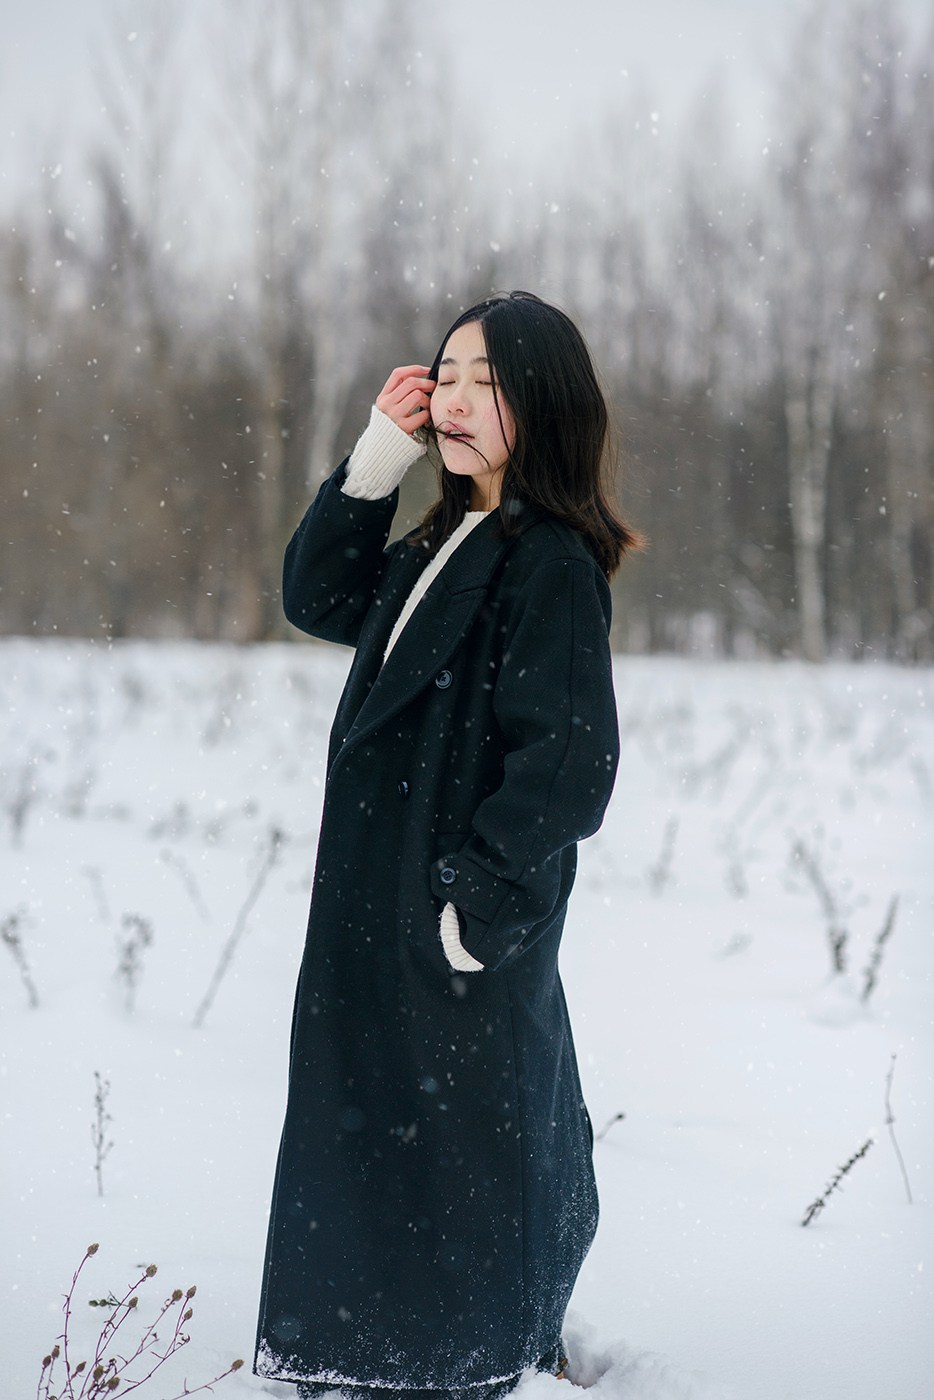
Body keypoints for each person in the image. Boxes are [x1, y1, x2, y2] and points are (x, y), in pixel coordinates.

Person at [254, 291, 640, 1400]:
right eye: (449, 375)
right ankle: (376, 1351)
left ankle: (466, 1354)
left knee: (468, 1147)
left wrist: (473, 907)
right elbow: (316, 592)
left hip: (449, 923)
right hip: (381, 909)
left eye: (490, 381)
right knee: (382, 1139)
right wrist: (381, 447)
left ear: (546, 404)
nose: (460, 398)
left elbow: (566, 763)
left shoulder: (548, 561)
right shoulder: (444, 532)